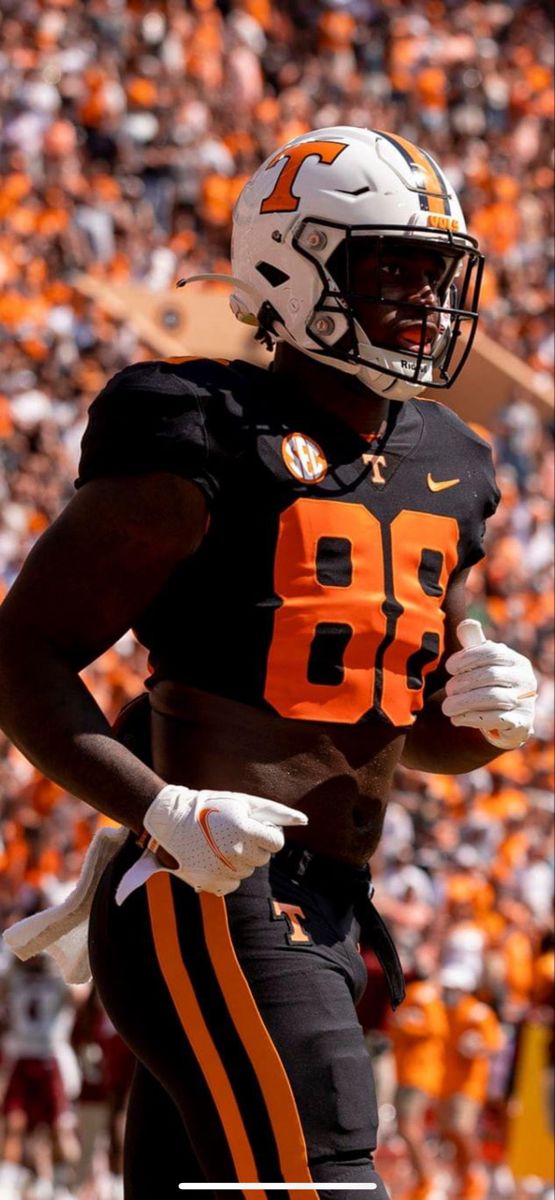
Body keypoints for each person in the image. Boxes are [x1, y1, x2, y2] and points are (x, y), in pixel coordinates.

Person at [0, 127, 538, 1197]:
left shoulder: (447, 460)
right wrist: (157, 809)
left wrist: (482, 717)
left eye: (434, 274)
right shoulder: (203, 428)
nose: (424, 301)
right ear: (293, 265)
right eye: (391, 268)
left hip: (334, 899)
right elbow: (21, 649)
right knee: (326, 1174)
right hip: (215, 890)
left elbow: (407, 721)